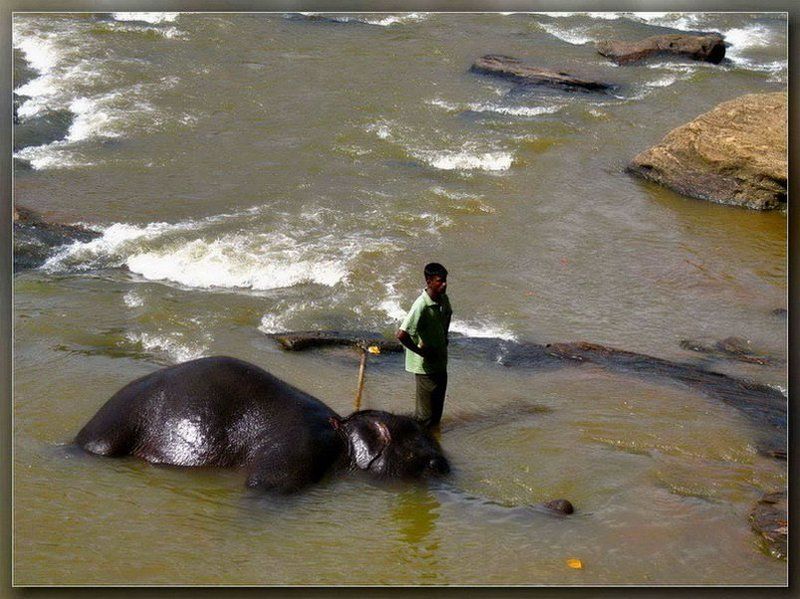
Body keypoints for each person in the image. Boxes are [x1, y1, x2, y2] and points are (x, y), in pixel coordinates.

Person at [396, 263, 452, 428]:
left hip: (441, 363)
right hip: (425, 368)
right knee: (424, 417)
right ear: (429, 281)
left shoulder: (443, 299)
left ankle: (435, 440)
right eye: (440, 281)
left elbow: (448, 314)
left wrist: (444, 336)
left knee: (436, 415)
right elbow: (401, 334)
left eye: (446, 280)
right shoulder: (421, 305)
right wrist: (421, 352)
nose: (445, 284)